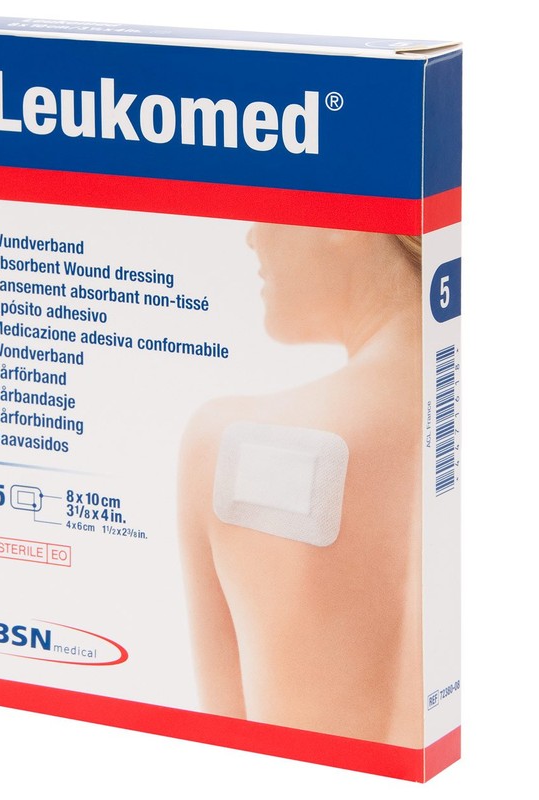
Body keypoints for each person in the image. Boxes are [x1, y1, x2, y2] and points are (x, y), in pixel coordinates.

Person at [177, 223, 423, 747]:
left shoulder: (222, 446)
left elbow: (230, 744)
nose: (251, 237)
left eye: (270, 206)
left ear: (345, 217)